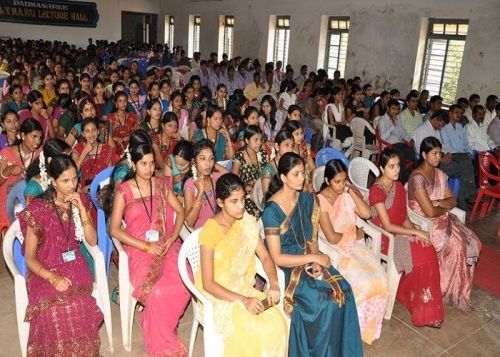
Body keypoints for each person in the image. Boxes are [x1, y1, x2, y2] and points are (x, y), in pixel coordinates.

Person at [262, 152, 363, 357]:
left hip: (309, 258)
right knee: (324, 302)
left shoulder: (308, 199)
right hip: (288, 268)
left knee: (344, 291)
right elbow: (277, 258)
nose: (303, 178)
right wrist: (313, 258)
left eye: (303, 173)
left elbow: (312, 238)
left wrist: (316, 258)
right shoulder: (271, 211)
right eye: (296, 174)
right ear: (283, 178)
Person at [109, 141, 190, 356]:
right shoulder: (123, 191)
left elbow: (180, 211)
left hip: (165, 244)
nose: (148, 168)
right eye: (143, 164)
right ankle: (163, 341)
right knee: (157, 290)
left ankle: (154, 320)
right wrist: (146, 246)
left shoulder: (162, 184)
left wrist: (173, 238)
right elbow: (114, 230)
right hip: (140, 250)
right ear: (134, 165)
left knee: (185, 281)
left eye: (152, 163)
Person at [195, 173, 288, 356]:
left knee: (277, 322)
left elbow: (266, 257)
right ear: (221, 202)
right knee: (252, 329)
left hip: (244, 287)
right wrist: (244, 300)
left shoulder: (246, 222)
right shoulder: (211, 230)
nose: (241, 206)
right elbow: (208, 283)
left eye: (243, 200)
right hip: (219, 294)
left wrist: (274, 282)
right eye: (234, 201)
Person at [19, 155, 103, 355]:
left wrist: (82, 210)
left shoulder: (80, 200)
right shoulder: (38, 209)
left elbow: (93, 241)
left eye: (75, 179)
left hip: (75, 266)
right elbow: (30, 257)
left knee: (78, 303)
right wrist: (52, 278)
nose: (72, 185)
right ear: (53, 181)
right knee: (52, 310)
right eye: (65, 181)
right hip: (44, 270)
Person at [369, 148, 444, 327]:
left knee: (428, 248)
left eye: (398, 166)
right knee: (420, 255)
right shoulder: (377, 191)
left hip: (401, 232)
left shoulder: (398, 188)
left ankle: (426, 307)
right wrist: (415, 233)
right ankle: (420, 308)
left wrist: (416, 229)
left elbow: (404, 217)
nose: (396, 170)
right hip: (387, 238)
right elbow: (387, 226)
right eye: (391, 167)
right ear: (381, 168)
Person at [318, 159, 388, 344]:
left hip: (355, 246)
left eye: (344, 180)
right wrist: (356, 234)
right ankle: (353, 329)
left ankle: (368, 329)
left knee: (381, 278)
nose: (341, 185)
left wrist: (350, 191)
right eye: (337, 182)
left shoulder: (346, 193)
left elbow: (367, 214)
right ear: (327, 181)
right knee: (365, 284)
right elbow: (332, 237)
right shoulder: (320, 201)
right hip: (337, 251)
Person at [408, 137, 481, 311]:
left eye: (439, 153)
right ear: (424, 154)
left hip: (441, 218)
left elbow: (453, 200)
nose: (438, 157)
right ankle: (447, 290)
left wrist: (440, 202)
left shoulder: (439, 174)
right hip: (423, 224)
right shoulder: (417, 178)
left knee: (472, 241)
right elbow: (429, 213)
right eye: (434, 153)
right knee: (456, 245)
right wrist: (441, 208)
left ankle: (458, 287)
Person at [0, 118, 43, 230]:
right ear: (23, 135)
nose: (38, 141)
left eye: (40, 137)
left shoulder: (40, 154)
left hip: (29, 201)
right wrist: (8, 170)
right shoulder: (6, 153)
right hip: (6, 202)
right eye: (34, 137)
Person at [440, 105, 476, 209]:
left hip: (462, 157)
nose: (459, 115)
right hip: (452, 155)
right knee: (467, 164)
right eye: (456, 112)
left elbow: (466, 143)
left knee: (464, 171)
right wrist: (464, 155)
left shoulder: (460, 126)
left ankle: (462, 201)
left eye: (460, 113)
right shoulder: (444, 128)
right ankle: (471, 195)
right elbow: (447, 146)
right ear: (450, 113)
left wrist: (469, 152)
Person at [184, 139, 225, 229]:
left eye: (211, 158)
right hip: (201, 234)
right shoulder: (190, 185)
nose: (208, 163)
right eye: (203, 158)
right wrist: (200, 193)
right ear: (194, 161)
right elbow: (189, 222)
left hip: (220, 228)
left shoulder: (217, 178)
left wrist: (216, 166)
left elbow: (232, 179)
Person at [73, 118, 119, 191]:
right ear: (83, 134)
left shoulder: (107, 149)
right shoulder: (78, 148)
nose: (91, 134)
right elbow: (73, 173)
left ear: (98, 131)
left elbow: (110, 175)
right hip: (83, 190)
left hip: (102, 190)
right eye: (87, 131)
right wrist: (84, 152)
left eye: (94, 130)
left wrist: (95, 186)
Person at [232, 125, 267, 217]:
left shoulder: (263, 154)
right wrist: (246, 188)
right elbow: (234, 180)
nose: (259, 143)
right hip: (245, 196)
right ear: (247, 141)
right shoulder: (239, 157)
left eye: (260, 140)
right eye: (255, 140)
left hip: (261, 194)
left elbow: (268, 176)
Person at [377, 98, 414, 183]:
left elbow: (403, 134)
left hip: (400, 144)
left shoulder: (398, 119)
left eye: (397, 109)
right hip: (389, 146)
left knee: (414, 153)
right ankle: (401, 181)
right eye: (393, 108)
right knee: (400, 156)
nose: (395, 111)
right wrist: (393, 126)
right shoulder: (382, 120)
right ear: (388, 108)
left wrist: (410, 140)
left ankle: (413, 178)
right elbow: (382, 137)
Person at [261, 130, 295, 198]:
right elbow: (267, 196)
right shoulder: (268, 170)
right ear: (277, 146)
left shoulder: (291, 164)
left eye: (292, 146)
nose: (290, 149)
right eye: (286, 145)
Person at [108, 91, 139, 155]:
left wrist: (130, 137)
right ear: (116, 103)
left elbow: (137, 133)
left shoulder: (132, 116)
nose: (123, 103)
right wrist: (116, 139)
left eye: (125, 100)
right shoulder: (111, 118)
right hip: (115, 149)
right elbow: (108, 136)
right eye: (120, 101)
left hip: (131, 148)